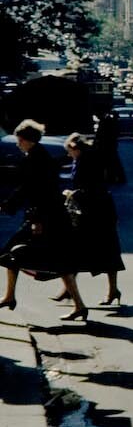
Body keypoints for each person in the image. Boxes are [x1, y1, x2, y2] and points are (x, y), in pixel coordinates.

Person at [0, 120, 89, 320]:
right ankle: (9, 296)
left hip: (46, 217)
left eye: (19, 140)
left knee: (21, 255)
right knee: (17, 255)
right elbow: (28, 189)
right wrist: (8, 205)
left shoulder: (36, 160)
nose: (17, 144)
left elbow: (37, 191)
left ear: (28, 140)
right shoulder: (37, 156)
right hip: (48, 215)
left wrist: (34, 218)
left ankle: (79, 305)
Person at [59, 133, 125, 308]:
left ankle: (110, 290)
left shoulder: (87, 161)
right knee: (100, 250)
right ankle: (72, 288)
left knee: (98, 250)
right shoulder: (84, 159)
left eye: (69, 151)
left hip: (97, 211)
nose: (68, 154)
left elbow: (91, 187)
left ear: (75, 148)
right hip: (97, 210)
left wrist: (72, 193)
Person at [93, 109, 126, 185]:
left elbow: (100, 134)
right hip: (110, 144)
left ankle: (112, 178)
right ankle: (114, 178)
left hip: (107, 145)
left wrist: (97, 142)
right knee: (112, 162)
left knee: (110, 162)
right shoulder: (108, 120)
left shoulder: (105, 121)